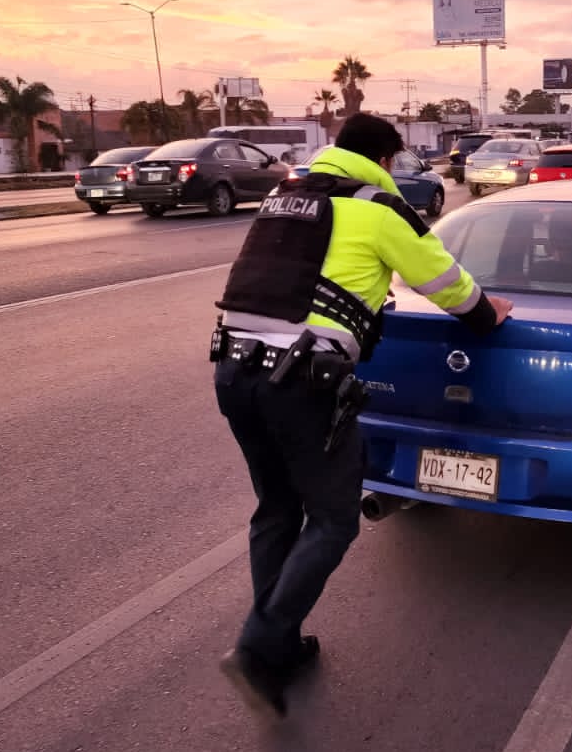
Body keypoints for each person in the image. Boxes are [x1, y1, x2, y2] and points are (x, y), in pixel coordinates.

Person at [212, 112, 512, 717]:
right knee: (333, 520)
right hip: (301, 381)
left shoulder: (284, 195)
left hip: (232, 369)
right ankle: (258, 643)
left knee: (276, 509)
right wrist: (490, 314)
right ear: (384, 158)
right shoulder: (377, 207)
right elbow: (447, 285)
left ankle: (280, 643)